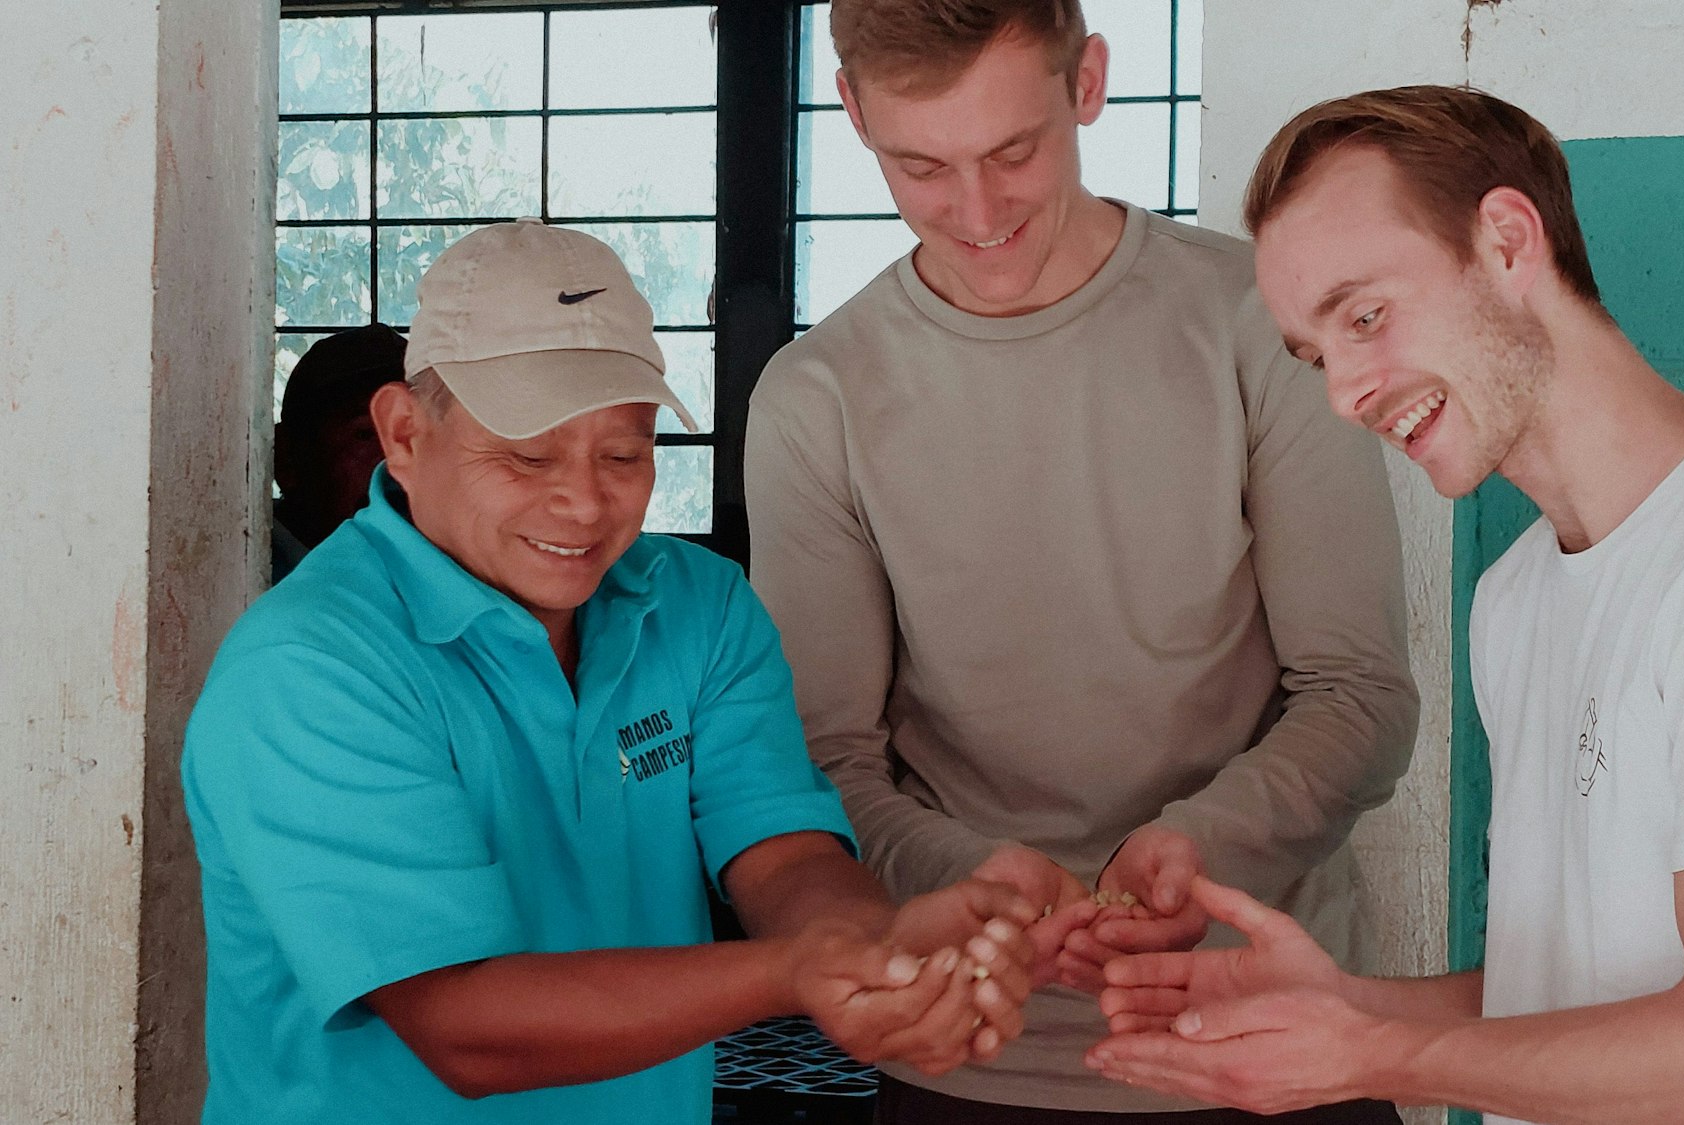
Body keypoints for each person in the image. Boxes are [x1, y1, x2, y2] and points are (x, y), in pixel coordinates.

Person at [1085, 85, 1684, 1124]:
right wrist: (1344, 1004)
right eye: (1317, 353)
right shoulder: (1514, 598)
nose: (1342, 392)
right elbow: (1579, 994)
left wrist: (1364, 1056)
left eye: (1365, 317)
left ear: (1508, 241)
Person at [183, 220, 1041, 1125]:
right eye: (527, 454)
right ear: (403, 433)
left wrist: (886, 955)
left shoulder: (696, 608)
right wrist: (795, 973)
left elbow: (781, 849)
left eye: (625, 453)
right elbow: (463, 1025)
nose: (586, 500)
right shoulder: (312, 669)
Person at [744, 3, 1419, 1121]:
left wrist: (1195, 850)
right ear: (853, 109)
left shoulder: (1260, 321)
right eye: (918, 167)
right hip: (971, 1053)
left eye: (1014, 152)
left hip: (1274, 1038)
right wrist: (967, 877)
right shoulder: (815, 402)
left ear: (1087, 80)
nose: (974, 212)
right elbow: (824, 762)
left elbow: (1358, 694)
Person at [272, 322, 406, 580]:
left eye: (418, 436)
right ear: (287, 458)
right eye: (365, 435)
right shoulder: (243, 576)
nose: (399, 463)